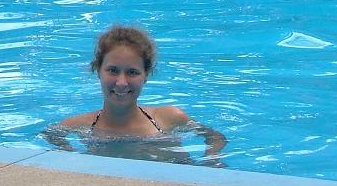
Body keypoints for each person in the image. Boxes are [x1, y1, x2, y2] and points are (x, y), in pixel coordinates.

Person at [44, 25, 227, 166]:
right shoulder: (79, 125)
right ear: (98, 70)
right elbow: (50, 135)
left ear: (146, 75)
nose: (121, 82)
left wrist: (211, 159)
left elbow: (215, 137)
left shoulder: (169, 119)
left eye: (132, 72)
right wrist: (71, 154)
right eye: (113, 70)